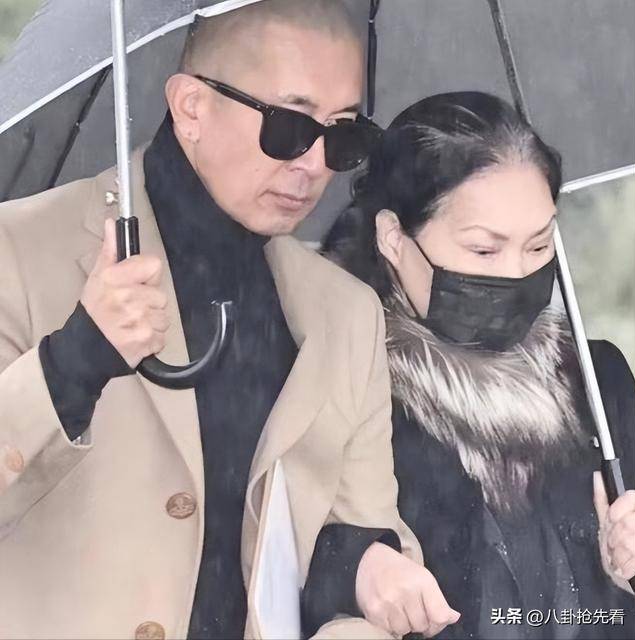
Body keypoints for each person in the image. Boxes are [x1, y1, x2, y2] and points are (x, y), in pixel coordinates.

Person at [0, 2, 461, 638]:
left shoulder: (345, 313)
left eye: (343, 136)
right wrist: (72, 360)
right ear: (191, 107)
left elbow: (358, 535)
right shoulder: (19, 250)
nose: (314, 164)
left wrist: (363, 568)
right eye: (289, 127)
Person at [302, 92, 635, 640]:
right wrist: (356, 565)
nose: (515, 274)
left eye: (538, 245)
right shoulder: (344, 387)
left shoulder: (596, 381)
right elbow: (278, 554)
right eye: (484, 250)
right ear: (393, 237)